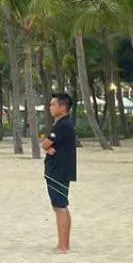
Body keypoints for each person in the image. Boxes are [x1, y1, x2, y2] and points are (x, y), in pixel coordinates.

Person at [42, 91, 78, 252]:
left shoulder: (63, 125)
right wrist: (48, 148)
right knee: (59, 206)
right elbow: (47, 145)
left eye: (53, 104)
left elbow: (45, 143)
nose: (50, 107)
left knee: (60, 206)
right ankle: (64, 243)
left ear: (63, 107)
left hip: (59, 171)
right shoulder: (60, 124)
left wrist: (47, 147)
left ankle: (63, 245)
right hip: (57, 170)